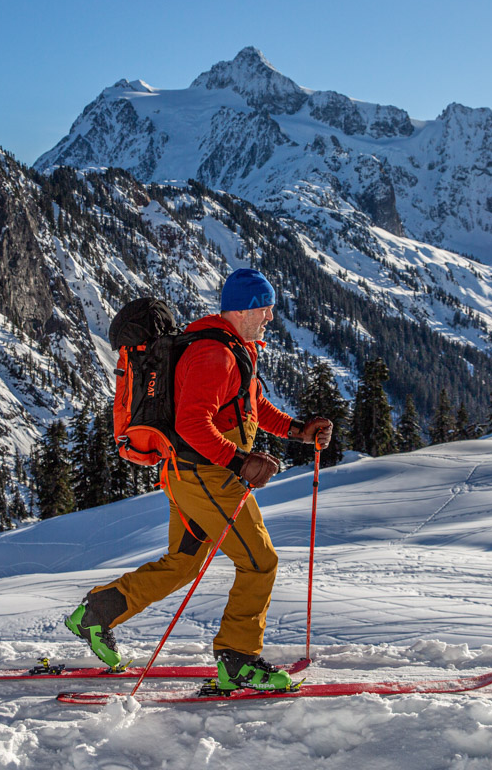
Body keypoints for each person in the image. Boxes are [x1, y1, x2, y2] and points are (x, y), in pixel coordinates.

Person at [65, 268, 334, 691]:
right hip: (208, 476)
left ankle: (97, 613)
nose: (269, 319)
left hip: (188, 475)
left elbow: (252, 405)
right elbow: (192, 423)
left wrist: (298, 430)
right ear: (250, 309)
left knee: (183, 562)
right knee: (259, 562)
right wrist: (239, 461)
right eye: (267, 310)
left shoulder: (227, 346)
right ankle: (239, 659)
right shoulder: (216, 354)